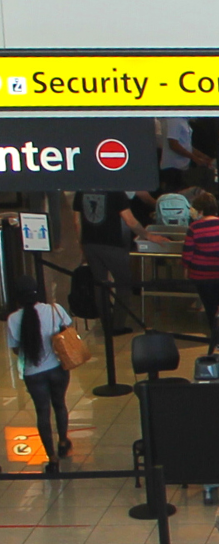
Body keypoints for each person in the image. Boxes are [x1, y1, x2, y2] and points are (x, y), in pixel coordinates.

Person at [7, 284, 74, 474]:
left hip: (33, 373)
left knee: (42, 412)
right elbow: (68, 329)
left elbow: (15, 349)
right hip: (58, 368)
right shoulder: (54, 309)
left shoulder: (13, 319)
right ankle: (63, 441)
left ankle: (52, 459)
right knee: (59, 404)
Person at [73, 189, 154, 326]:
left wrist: (82, 245)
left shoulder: (81, 191)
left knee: (100, 284)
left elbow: (76, 222)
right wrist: (148, 235)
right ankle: (118, 324)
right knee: (124, 282)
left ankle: (105, 322)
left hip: (90, 243)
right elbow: (130, 221)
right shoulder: (116, 192)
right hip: (112, 244)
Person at [181, 192, 219, 348]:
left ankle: (218, 336)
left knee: (210, 306)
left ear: (200, 210)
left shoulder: (194, 227)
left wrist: (185, 268)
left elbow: (188, 252)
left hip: (202, 275)